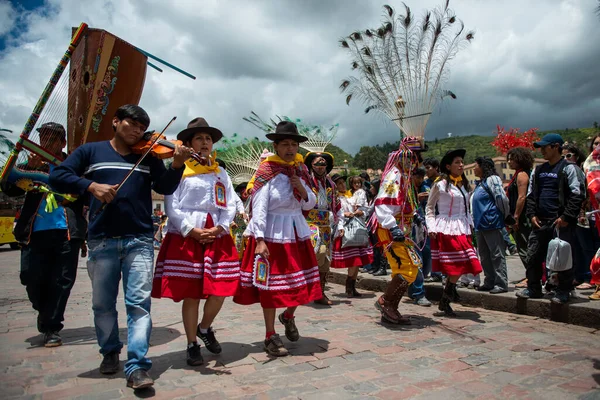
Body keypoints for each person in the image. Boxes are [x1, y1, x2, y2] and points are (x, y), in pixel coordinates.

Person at [49, 105, 192, 389]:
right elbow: (57, 176)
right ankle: (110, 351)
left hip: (139, 238)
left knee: (138, 304)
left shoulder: (148, 157)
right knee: (102, 304)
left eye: (142, 127)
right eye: (133, 124)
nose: (138, 131)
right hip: (101, 238)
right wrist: (91, 186)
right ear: (116, 122)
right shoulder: (91, 152)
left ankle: (137, 365)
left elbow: (164, 188)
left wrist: (176, 165)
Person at [151, 118, 240, 366]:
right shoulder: (180, 169)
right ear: (188, 143)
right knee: (191, 294)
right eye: (199, 138)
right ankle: (192, 343)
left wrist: (221, 227)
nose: (204, 143)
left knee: (220, 289)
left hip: (216, 235)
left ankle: (205, 326)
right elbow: (172, 204)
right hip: (187, 236)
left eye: (208, 139)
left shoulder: (220, 171)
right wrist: (191, 230)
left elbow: (230, 202)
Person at [234, 121, 321, 357]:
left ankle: (289, 315)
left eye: (294, 144)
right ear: (275, 146)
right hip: (272, 231)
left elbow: (312, 202)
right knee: (271, 287)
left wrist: (302, 191)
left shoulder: (301, 170)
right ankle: (270, 335)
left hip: (296, 232)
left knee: (302, 282)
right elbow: (258, 207)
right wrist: (260, 239)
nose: (290, 148)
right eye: (285, 144)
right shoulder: (266, 171)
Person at [2, 122, 86, 348]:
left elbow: (86, 192)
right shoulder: (28, 166)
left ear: (62, 143)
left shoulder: (73, 166)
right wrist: (29, 169)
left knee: (62, 281)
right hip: (34, 232)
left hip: (67, 231)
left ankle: (52, 327)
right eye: (43, 139)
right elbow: (9, 188)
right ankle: (46, 313)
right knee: (30, 276)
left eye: (52, 139)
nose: (46, 144)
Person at [516, 133, 585, 304]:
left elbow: (577, 195)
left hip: (560, 223)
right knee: (532, 256)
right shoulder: (538, 171)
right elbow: (531, 196)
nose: (541, 151)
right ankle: (533, 288)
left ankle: (563, 291)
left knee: (563, 259)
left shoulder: (569, 168)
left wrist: (566, 217)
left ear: (556, 147)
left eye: (545, 147)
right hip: (540, 223)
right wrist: (531, 215)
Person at [426, 149, 482, 316]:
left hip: (462, 227)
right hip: (446, 228)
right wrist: (431, 227)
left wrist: (470, 224)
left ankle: (448, 293)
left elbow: (466, 209)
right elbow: (429, 207)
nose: (461, 165)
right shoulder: (440, 184)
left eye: (462, 162)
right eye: (457, 162)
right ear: (448, 166)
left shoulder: (463, 184)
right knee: (456, 265)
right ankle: (448, 294)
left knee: (467, 261)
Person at [372, 142, 422, 324]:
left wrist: (415, 215)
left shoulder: (404, 176)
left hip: (402, 230)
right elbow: (382, 204)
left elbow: (405, 203)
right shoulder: (394, 175)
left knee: (408, 268)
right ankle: (386, 303)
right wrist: (392, 226)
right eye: (410, 157)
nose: (413, 161)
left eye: (415, 157)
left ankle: (390, 307)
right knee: (408, 269)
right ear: (401, 157)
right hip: (390, 230)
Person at [472, 157, 512, 294]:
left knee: (496, 254)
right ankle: (489, 281)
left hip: (491, 222)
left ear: (483, 166)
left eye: (476, 165)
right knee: (484, 255)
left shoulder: (492, 180)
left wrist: (505, 216)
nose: (474, 168)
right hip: (480, 225)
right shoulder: (480, 183)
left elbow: (501, 198)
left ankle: (501, 283)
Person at [303, 151, 338, 306]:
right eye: (317, 164)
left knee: (325, 261)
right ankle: (305, 287)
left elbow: (336, 206)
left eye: (323, 164)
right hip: (309, 224)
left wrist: (338, 222)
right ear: (311, 165)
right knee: (317, 253)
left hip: (325, 226)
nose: (320, 167)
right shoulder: (306, 182)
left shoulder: (331, 185)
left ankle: (319, 293)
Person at [331, 175, 373, 297]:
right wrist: (344, 214)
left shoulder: (351, 196)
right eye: (339, 183)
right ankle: (349, 285)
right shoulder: (335, 198)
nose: (342, 185)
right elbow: (333, 213)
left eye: (343, 182)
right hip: (345, 230)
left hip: (356, 230)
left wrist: (361, 212)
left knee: (358, 261)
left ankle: (352, 286)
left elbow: (364, 209)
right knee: (353, 260)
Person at [562, 144, 597, 290]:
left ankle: (590, 277)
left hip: (589, 213)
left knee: (589, 247)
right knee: (578, 247)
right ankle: (580, 275)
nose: (566, 159)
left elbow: (582, 194)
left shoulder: (584, 168)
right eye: (563, 156)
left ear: (576, 156)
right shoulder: (568, 170)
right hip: (578, 214)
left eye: (568, 156)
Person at [506, 147, 535, 287]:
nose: (510, 162)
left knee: (524, 246)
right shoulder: (519, 173)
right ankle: (531, 275)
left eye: (512, 159)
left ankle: (532, 277)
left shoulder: (522, 174)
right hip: (521, 216)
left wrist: (516, 216)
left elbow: (522, 197)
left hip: (523, 217)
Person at [407, 166, 432, 306]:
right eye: (417, 177)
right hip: (410, 228)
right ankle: (419, 293)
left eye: (422, 177)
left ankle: (413, 287)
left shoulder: (426, 186)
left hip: (425, 226)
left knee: (427, 257)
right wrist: (417, 197)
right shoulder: (406, 188)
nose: (420, 180)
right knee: (417, 260)